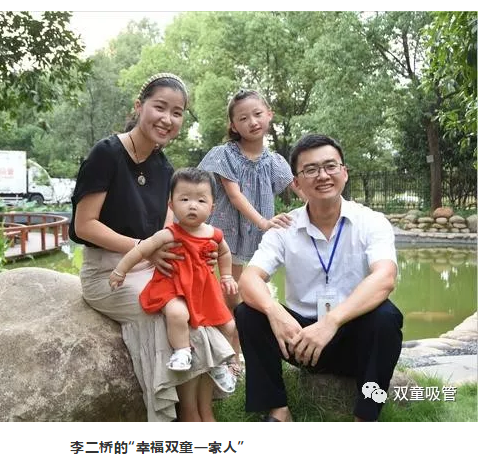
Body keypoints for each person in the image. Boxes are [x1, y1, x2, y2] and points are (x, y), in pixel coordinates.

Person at [69, 73, 235, 422]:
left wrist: (195, 251)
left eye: (177, 113)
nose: (167, 119)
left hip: (153, 266)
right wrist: (144, 248)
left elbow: (170, 230)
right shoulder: (106, 154)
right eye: (160, 107)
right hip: (109, 273)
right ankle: (187, 416)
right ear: (139, 106)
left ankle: (204, 411)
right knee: (170, 313)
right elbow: (84, 225)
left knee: (197, 305)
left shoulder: (163, 167)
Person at [235, 134, 403, 422]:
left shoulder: (371, 221)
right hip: (299, 340)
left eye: (330, 166)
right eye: (310, 169)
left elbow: (385, 278)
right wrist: (275, 312)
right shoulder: (284, 228)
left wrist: (331, 321)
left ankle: (366, 416)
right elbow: (249, 278)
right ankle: (278, 410)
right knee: (248, 313)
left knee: (386, 317)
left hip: (352, 337)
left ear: (344, 173)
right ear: (297, 183)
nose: (322, 175)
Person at [109, 167, 240, 393]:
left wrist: (227, 275)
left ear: (212, 207)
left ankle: (221, 363)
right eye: (184, 199)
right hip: (173, 287)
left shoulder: (214, 234)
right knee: (178, 314)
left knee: (229, 325)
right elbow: (140, 251)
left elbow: (225, 253)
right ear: (171, 205)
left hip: (203, 290)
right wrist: (120, 271)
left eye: (201, 200)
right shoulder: (168, 234)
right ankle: (182, 351)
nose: (192, 205)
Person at [198, 89, 305, 308]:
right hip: (230, 228)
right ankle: (229, 321)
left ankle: (247, 320)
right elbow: (235, 196)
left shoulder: (274, 161)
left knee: (257, 282)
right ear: (234, 126)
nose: (253, 122)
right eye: (243, 118)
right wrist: (263, 222)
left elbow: (298, 188)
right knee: (229, 284)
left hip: (257, 231)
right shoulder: (226, 154)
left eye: (258, 114)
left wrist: (323, 206)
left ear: (269, 114)